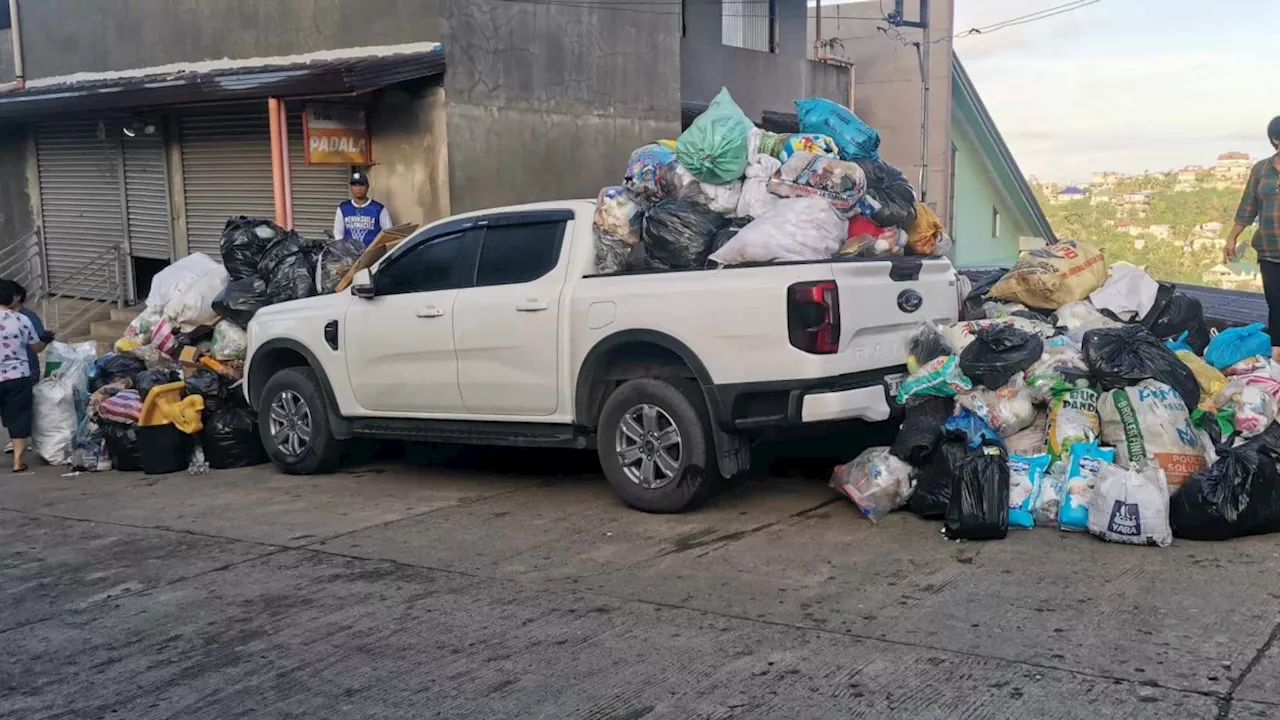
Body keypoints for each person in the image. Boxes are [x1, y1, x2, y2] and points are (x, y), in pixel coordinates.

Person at [1226, 116, 1280, 362]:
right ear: (1275, 140)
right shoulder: (1261, 170)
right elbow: (1247, 208)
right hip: (1269, 251)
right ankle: (1277, 355)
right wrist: (1232, 239)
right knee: (1276, 304)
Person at [0, 279, 47, 472]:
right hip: (17, 375)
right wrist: (46, 340)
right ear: (12, 297)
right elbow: (35, 347)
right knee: (19, 416)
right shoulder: (21, 319)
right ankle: (18, 461)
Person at [332, 170, 392, 247]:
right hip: (349, 254)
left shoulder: (378, 209)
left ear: (367, 187)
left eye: (361, 185)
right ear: (351, 187)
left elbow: (388, 232)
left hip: (371, 254)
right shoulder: (343, 208)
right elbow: (338, 233)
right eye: (355, 185)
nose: (358, 189)